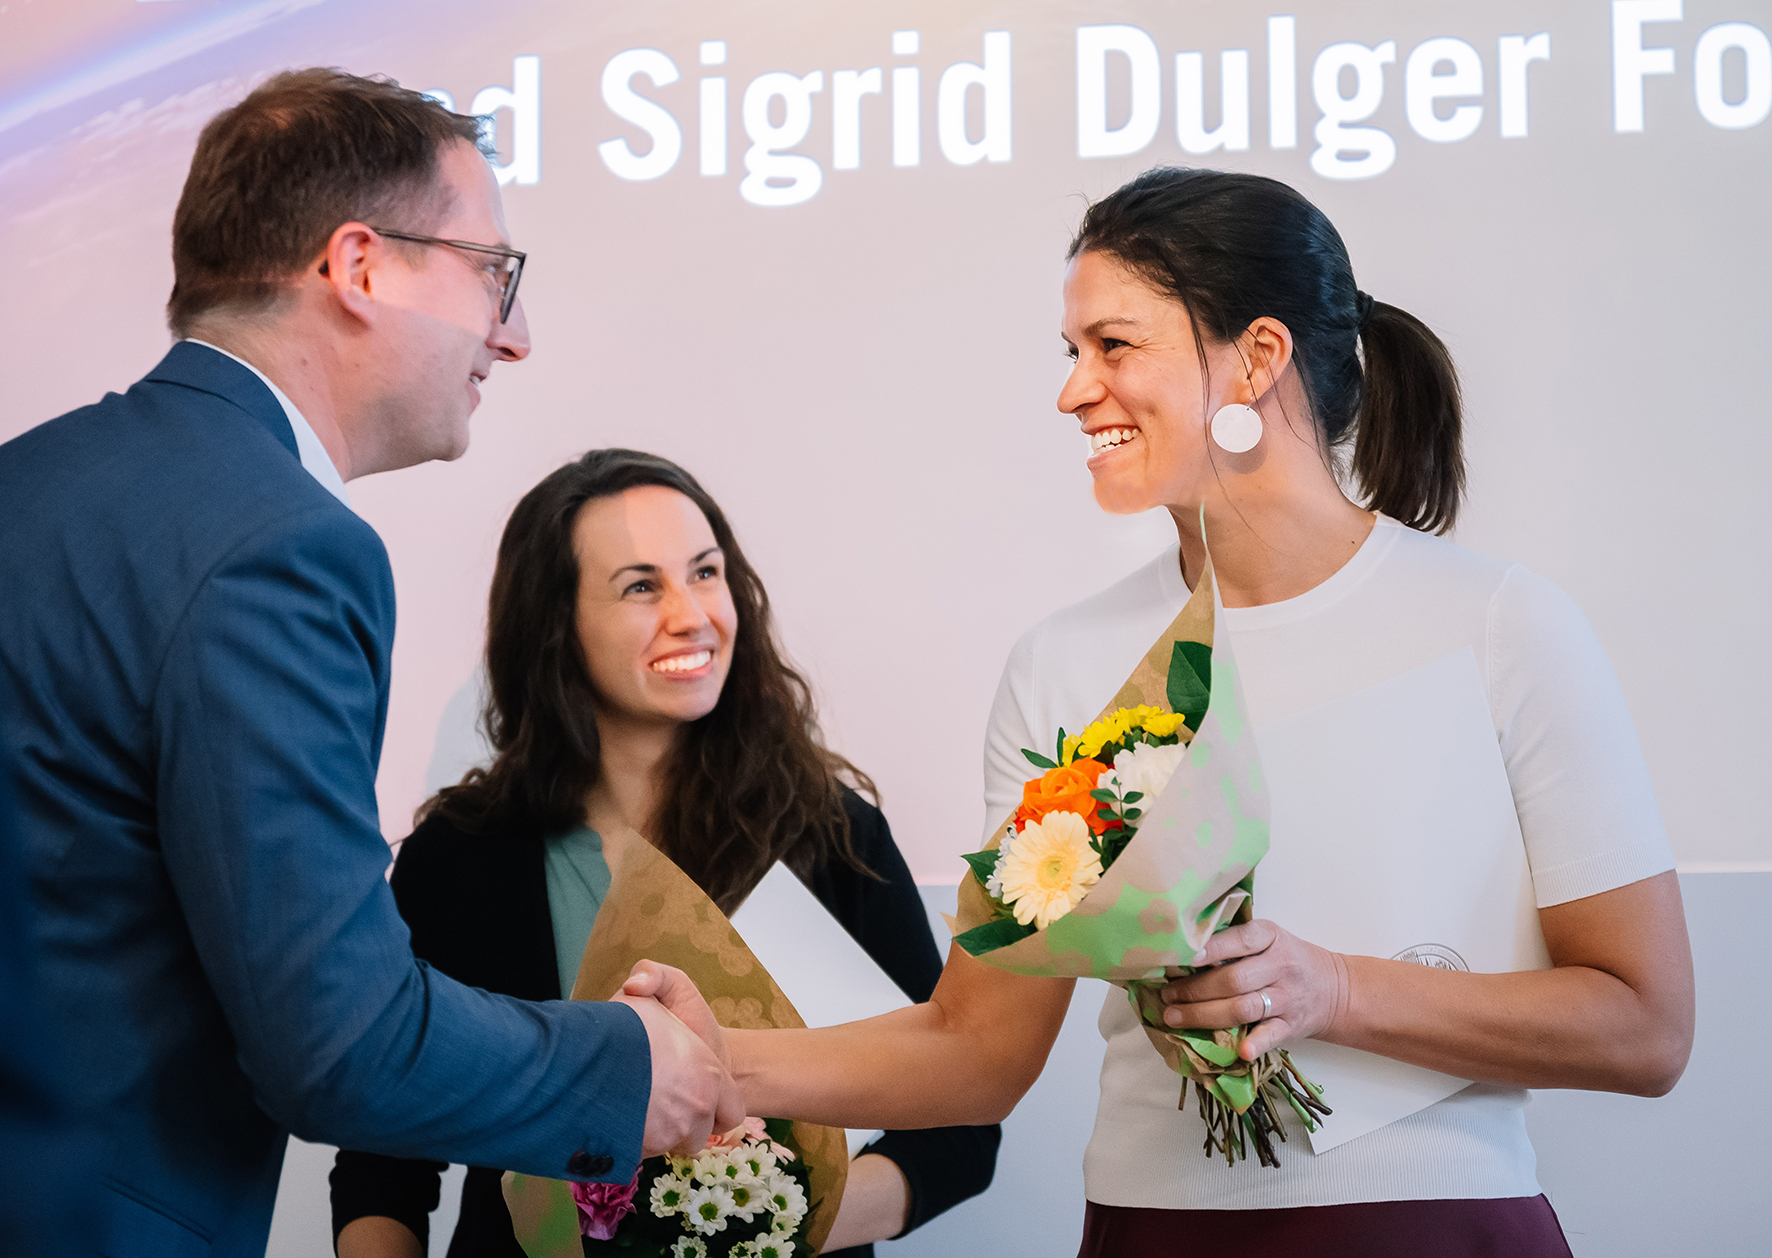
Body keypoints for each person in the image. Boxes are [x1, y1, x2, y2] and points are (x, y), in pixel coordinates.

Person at [720, 168, 1696, 1255]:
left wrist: (1331, 990)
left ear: (1257, 357)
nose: (1073, 391)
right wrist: (702, 1063)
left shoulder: (1499, 625)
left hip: (1435, 1224)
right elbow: (976, 1047)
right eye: (1071, 352)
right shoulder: (1063, 665)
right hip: (1154, 1227)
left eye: (1113, 345)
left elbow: (1645, 1028)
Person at [0, 71, 737, 1258]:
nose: (516, 334)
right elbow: (338, 1043)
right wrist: (631, 1066)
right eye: (494, 273)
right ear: (358, 267)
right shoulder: (281, 544)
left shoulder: (30, 482)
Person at [330, 449, 1000, 1258]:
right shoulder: (457, 857)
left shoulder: (829, 834)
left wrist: (769, 1234)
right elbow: (383, 1157)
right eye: (641, 587)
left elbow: (957, 1127)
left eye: (706, 573)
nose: (692, 615)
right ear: (555, 625)